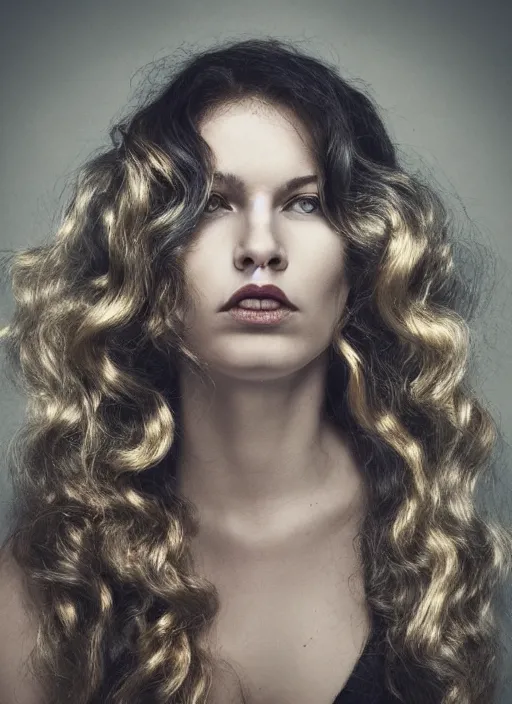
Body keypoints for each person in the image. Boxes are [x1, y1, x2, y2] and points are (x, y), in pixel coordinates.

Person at [0, 37, 510, 704]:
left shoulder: (446, 549)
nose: (260, 248)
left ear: (365, 254)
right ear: (146, 253)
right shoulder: (48, 582)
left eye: (304, 203)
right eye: (213, 203)